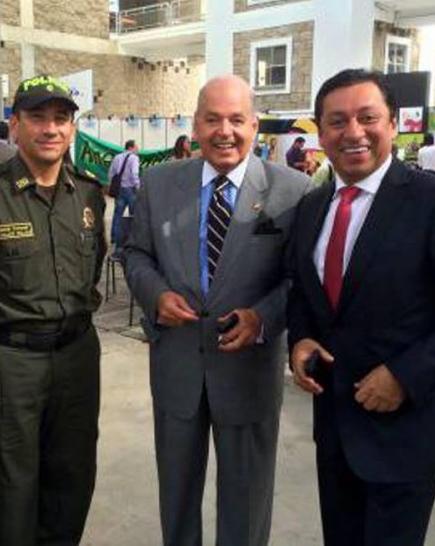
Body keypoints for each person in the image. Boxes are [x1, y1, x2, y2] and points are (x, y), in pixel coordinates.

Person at [287, 69, 435, 546]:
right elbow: (307, 296)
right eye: (337, 121)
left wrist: (405, 377)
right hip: (336, 428)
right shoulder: (313, 207)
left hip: (406, 431)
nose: (353, 132)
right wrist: (301, 336)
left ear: (394, 124)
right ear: (320, 133)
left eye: (367, 117)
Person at [125, 75, 310, 545]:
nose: (223, 131)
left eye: (235, 119)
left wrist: (264, 317)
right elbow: (136, 254)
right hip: (177, 367)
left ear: (254, 125)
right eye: (212, 119)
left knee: (246, 505)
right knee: (178, 498)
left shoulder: (294, 190)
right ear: (195, 124)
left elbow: (300, 279)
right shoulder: (159, 182)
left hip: (248, 372)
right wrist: (155, 295)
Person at [0, 75, 106, 546]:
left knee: (71, 487)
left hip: (77, 358)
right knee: (10, 499)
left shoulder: (89, 195)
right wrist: (6, 328)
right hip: (11, 365)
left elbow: (90, 272)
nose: (50, 128)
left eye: (61, 118)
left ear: (72, 128)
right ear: (15, 126)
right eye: (37, 117)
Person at [108, 138, 140, 250]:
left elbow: (111, 173)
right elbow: (134, 174)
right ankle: (132, 238)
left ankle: (114, 237)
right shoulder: (134, 158)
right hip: (130, 190)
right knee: (133, 215)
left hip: (119, 190)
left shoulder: (117, 157)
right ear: (131, 147)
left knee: (117, 214)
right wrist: (138, 187)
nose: (138, 149)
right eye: (136, 147)